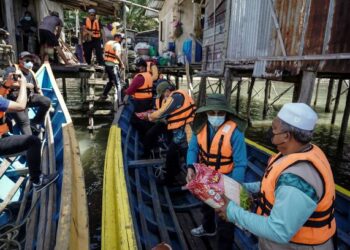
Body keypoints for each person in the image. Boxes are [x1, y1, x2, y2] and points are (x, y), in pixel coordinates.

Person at [216, 103, 336, 250]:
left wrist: (232, 212)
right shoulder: (299, 152)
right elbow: (274, 187)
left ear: (286, 136)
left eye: (274, 128)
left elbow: (278, 231)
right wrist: (244, 187)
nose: (270, 131)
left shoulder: (297, 180)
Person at [186, 94, 247, 249]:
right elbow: (193, 148)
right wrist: (190, 167)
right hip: (205, 175)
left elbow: (240, 164)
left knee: (225, 219)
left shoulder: (236, 132)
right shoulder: (199, 127)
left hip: (227, 178)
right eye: (212, 113)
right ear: (206, 113)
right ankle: (208, 228)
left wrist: (233, 190)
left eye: (220, 113)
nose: (216, 116)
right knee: (205, 205)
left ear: (226, 113)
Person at [0, 68, 58, 192]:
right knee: (33, 141)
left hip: (2, 135)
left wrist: (7, 84)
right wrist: (23, 84)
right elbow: (20, 106)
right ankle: (37, 181)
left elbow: (3, 92)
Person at [145, 82, 195, 182]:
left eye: (164, 94)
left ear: (167, 91)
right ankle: (177, 176)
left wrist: (151, 116)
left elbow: (163, 111)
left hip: (184, 130)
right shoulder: (175, 97)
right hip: (179, 129)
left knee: (173, 154)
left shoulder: (176, 97)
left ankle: (171, 179)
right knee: (182, 152)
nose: (164, 97)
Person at [6, 51, 51, 135]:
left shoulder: (31, 72)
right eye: (27, 60)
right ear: (20, 60)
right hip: (15, 101)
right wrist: (25, 85)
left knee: (46, 101)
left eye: (31, 60)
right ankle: (30, 142)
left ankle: (35, 122)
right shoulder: (12, 70)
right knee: (24, 122)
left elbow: (37, 89)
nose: (29, 62)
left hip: (28, 98)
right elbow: (6, 84)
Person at [124, 58, 154, 138]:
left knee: (134, 121)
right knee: (145, 119)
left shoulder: (139, 77)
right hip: (149, 101)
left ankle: (145, 135)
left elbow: (129, 91)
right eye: (137, 66)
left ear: (143, 67)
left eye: (139, 66)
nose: (137, 68)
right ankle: (148, 131)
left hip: (141, 103)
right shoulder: (149, 75)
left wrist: (124, 90)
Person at [100, 33, 125, 103]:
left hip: (107, 65)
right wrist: (121, 64)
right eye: (120, 38)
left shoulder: (108, 43)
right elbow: (117, 55)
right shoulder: (117, 45)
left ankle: (104, 95)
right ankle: (120, 101)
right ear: (116, 38)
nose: (121, 40)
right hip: (113, 66)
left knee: (111, 81)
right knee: (118, 83)